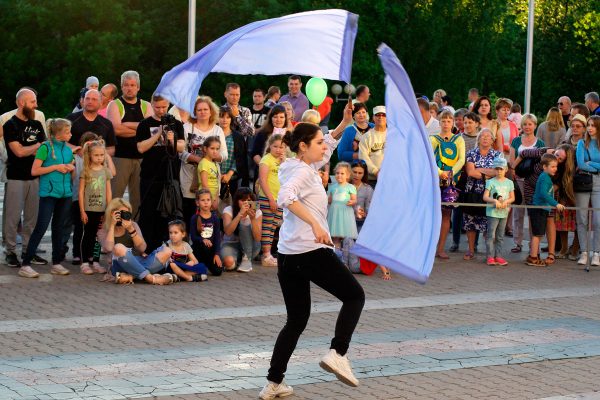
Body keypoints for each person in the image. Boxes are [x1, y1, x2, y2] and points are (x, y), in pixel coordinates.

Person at [259, 106, 365, 399]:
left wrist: (343, 123)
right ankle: (338, 353)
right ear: (303, 147)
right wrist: (316, 225)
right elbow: (285, 197)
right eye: (317, 142)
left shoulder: (300, 166)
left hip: (288, 257)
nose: (324, 145)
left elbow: (328, 143)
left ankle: (274, 382)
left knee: (296, 320)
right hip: (310, 252)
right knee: (355, 296)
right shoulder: (303, 173)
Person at [20, 119, 75, 278]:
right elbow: (34, 170)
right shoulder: (45, 147)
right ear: (58, 133)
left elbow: (71, 169)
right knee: (41, 227)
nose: (70, 134)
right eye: (67, 131)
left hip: (65, 194)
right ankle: (26, 264)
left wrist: (71, 168)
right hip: (48, 194)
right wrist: (56, 167)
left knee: (59, 228)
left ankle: (56, 263)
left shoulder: (67, 149)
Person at [3, 88, 47, 269]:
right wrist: (35, 146)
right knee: (12, 217)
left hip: (35, 177)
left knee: (32, 217)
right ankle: (10, 252)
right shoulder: (10, 125)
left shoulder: (37, 124)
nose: (36, 105)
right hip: (16, 177)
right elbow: (18, 152)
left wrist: (36, 148)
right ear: (21, 103)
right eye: (32, 102)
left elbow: (44, 149)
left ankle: (29, 250)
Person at [136, 94, 185, 252]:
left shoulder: (176, 124)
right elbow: (141, 148)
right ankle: (146, 250)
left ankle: (165, 250)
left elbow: (181, 148)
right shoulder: (144, 124)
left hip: (169, 178)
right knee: (147, 215)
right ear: (152, 105)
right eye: (157, 107)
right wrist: (159, 133)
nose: (161, 110)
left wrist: (171, 140)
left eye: (164, 107)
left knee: (168, 215)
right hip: (150, 176)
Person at [107, 70, 153, 217]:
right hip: (120, 158)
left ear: (138, 87)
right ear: (122, 87)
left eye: (133, 85)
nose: (129, 88)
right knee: (115, 198)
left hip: (142, 158)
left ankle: (135, 234)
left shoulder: (146, 105)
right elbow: (116, 129)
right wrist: (140, 127)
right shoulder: (114, 105)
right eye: (126, 85)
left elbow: (150, 131)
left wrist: (127, 125)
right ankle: (113, 232)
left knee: (138, 199)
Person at [97, 198, 174, 285]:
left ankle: (130, 276)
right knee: (118, 247)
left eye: (127, 213)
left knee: (167, 251)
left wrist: (131, 229)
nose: (124, 216)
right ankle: (151, 278)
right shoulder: (103, 231)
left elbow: (142, 248)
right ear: (112, 213)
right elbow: (109, 248)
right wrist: (112, 225)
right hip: (119, 264)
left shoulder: (133, 225)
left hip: (138, 261)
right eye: (121, 213)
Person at [180, 97, 227, 224]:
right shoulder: (186, 127)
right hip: (190, 178)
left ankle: (207, 241)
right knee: (190, 214)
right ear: (194, 112)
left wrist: (210, 157)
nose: (202, 112)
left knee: (208, 217)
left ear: (211, 111)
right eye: (199, 109)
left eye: (205, 109)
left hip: (211, 180)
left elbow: (224, 154)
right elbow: (180, 152)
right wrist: (197, 159)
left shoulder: (217, 130)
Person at [430, 110, 466, 259]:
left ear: (453, 123)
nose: (446, 124)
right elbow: (429, 158)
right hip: (435, 181)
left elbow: (461, 159)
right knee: (432, 215)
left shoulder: (458, 139)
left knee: (446, 215)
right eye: (443, 121)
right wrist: (440, 172)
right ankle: (429, 248)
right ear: (439, 123)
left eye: (449, 121)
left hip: (451, 182)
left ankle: (441, 248)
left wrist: (450, 173)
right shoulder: (433, 139)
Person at [462, 128, 501, 261]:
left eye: (488, 136)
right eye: (482, 136)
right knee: (470, 221)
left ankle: (489, 253)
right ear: (478, 139)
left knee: (489, 223)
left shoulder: (497, 155)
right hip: (472, 191)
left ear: (492, 140)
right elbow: (471, 173)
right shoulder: (471, 153)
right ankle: (471, 250)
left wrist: (479, 170)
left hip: (490, 193)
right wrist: (488, 172)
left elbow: (498, 172)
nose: (485, 138)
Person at [509, 113, 546, 253]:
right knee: (518, 213)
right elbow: (512, 161)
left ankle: (533, 243)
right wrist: (513, 174)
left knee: (533, 214)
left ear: (535, 125)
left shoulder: (540, 143)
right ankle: (517, 242)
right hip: (518, 180)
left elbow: (543, 164)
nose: (527, 127)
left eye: (530, 124)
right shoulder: (516, 141)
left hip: (533, 182)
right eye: (525, 124)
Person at [78, 139, 112, 274]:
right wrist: (82, 211)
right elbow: (81, 192)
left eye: (102, 155)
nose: (99, 158)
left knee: (99, 237)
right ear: (90, 155)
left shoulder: (106, 171)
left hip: (102, 210)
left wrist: (108, 209)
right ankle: (85, 262)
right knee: (88, 235)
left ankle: (96, 262)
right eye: (96, 155)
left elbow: (108, 191)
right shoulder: (86, 171)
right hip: (88, 209)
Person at [450, 112, 481, 252]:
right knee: (457, 210)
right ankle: (455, 241)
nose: (468, 125)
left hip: (476, 178)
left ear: (476, 123)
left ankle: (474, 244)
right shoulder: (458, 138)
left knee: (476, 209)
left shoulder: (481, 138)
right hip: (460, 177)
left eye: (470, 122)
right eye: (466, 122)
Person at [528, 154, 566, 267]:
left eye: (556, 166)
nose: (555, 169)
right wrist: (556, 204)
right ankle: (533, 257)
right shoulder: (545, 177)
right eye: (553, 166)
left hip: (542, 208)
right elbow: (544, 194)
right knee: (537, 234)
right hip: (539, 208)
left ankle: (533, 256)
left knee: (538, 234)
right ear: (545, 167)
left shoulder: (546, 177)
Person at [575, 115, 600, 265]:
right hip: (583, 181)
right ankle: (584, 252)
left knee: (598, 220)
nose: (590, 128)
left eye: (593, 125)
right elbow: (581, 164)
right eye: (589, 125)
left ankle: (597, 253)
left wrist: (591, 163)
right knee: (582, 218)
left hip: (599, 183)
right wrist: (596, 166)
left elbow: (587, 163)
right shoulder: (581, 143)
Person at [258, 134, 286, 267]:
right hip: (268, 199)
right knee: (267, 227)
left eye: (281, 147)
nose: (278, 149)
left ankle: (268, 254)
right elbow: (263, 181)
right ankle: (266, 254)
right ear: (270, 146)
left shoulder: (283, 161)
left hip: (279, 199)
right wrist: (271, 199)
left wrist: (284, 162)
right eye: (275, 146)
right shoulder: (266, 160)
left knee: (273, 227)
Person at [482, 157, 515, 266]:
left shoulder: (510, 183)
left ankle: (499, 256)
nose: (499, 171)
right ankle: (490, 256)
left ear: (506, 169)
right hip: (492, 213)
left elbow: (512, 198)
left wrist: (507, 202)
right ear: (494, 169)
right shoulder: (490, 182)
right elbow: (485, 197)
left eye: (501, 169)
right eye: (497, 169)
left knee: (500, 236)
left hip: (504, 212)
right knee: (491, 235)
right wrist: (494, 200)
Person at [221, 187, 262, 273]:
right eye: (243, 200)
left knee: (244, 226)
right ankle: (239, 261)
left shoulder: (257, 211)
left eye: (249, 200)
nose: (246, 203)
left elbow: (258, 238)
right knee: (229, 264)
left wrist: (253, 219)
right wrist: (240, 215)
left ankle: (246, 259)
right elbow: (228, 232)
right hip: (231, 244)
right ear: (236, 201)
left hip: (251, 247)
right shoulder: (228, 210)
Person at [66, 89, 116, 156]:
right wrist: (77, 150)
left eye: (94, 99)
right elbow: (60, 141)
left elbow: (111, 149)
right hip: (73, 161)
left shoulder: (107, 124)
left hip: (98, 163)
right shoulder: (71, 119)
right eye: (87, 98)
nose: (90, 101)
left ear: (100, 103)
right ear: (83, 101)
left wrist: (96, 154)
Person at [190, 189, 223, 276]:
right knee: (204, 245)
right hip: (199, 250)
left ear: (211, 202)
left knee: (218, 271)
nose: (206, 202)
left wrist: (217, 254)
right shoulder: (195, 218)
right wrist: (202, 240)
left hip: (210, 251)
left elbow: (217, 238)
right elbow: (193, 237)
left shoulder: (215, 218)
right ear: (197, 203)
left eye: (208, 200)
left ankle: (207, 264)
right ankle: (201, 264)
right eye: (203, 200)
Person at [554, 144, 577, 260]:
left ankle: (575, 248)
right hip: (562, 197)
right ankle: (564, 248)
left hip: (574, 196)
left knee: (577, 224)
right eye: (556, 155)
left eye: (560, 158)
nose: (557, 159)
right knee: (562, 223)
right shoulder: (553, 163)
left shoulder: (573, 167)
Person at [327, 162, 358, 249]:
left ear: (348, 175)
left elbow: (354, 199)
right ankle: (337, 253)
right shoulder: (332, 187)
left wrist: (352, 202)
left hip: (345, 212)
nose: (339, 175)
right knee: (335, 235)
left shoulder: (350, 187)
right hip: (335, 212)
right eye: (337, 173)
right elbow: (330, 200)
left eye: (342, 173)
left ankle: (346, 255)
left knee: (346, 237)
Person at [251, 105, 289, 178]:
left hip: (284, 174)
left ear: (285, 119)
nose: (278, 120)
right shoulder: (262, 134)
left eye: (281, 117)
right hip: (265, 174)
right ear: (270, 118)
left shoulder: (289, 135)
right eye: (275, 117)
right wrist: (264, 166)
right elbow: (255, 154)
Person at [219, 106, 246, 206]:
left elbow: (239, 158)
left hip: (232, 179)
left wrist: (229, 174)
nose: (224, 120)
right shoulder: (213, 134)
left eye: (228, 117)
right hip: (213, 178)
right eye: (222, 117)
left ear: (231, 119)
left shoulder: (237, 137)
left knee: (231, 208)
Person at [358, 106, 387, 185]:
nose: (380, 117)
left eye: (383, 115)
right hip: (372, 181)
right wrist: (376, 172)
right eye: (378, 115)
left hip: (391, 179)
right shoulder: (367, 136)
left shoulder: (394, 136)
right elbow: (363, 158)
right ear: (373, 118)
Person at [198, 136, 221, 210]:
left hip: (214, 199)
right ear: (205, 149)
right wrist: (210, 200)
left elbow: (217, 182)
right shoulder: (204, 163)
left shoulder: (214, 163)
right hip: (206, 199)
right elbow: (204, 185)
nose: (215, 151)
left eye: (217, 149)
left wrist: (216, 198)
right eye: (212, 148)